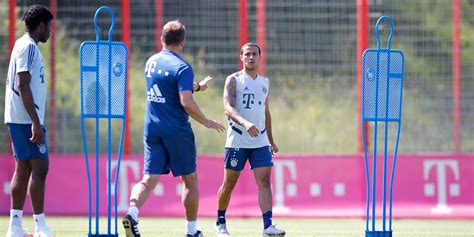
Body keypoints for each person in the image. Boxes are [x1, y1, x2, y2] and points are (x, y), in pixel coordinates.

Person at [122, 20, 225, 237]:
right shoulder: (182, 67)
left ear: (162, 39)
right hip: (176, 130)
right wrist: (206, 121)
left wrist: (197, 86)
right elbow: (185, 101)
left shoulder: (151, 62)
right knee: (189, 179)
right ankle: (191, 231)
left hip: (152, 128)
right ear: (183, 42)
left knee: (148, 179)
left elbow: (167, 86)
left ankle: (131, 213)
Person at [215, 42, 286, 237]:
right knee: (229, 183)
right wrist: (245, 123)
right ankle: (220, 222)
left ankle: (268, 227)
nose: (251, 58)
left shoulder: (265, 82)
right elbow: (228, 108)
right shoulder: (233, 80)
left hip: (260, 142)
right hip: (237, 141)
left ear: (260, 57)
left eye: (254, 54)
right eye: (247, 54)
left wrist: (271, 140)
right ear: (241, 57)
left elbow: (266, 112)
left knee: (264, 182)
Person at [4, 4, 54, 237]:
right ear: (41, 25)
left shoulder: (21, 44)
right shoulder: (29, 47)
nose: (51, 32)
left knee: (23, 167)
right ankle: (40, 225)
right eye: (49, 26)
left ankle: (15, 225)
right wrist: (35, 121)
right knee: (40, 167)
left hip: (17, 116)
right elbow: (22, 83)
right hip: (25, 117)